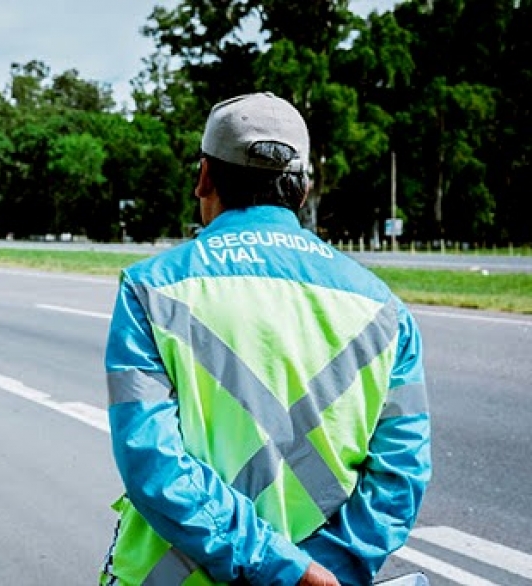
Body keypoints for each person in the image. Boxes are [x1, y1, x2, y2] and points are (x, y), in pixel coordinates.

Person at [100, 92, 431, 586]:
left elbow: (151, 462)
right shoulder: (385, 311)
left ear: (205, 177)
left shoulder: (150, 290)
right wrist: (319, 571)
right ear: (303, 190)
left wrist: (282, 569)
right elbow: (400, 478)